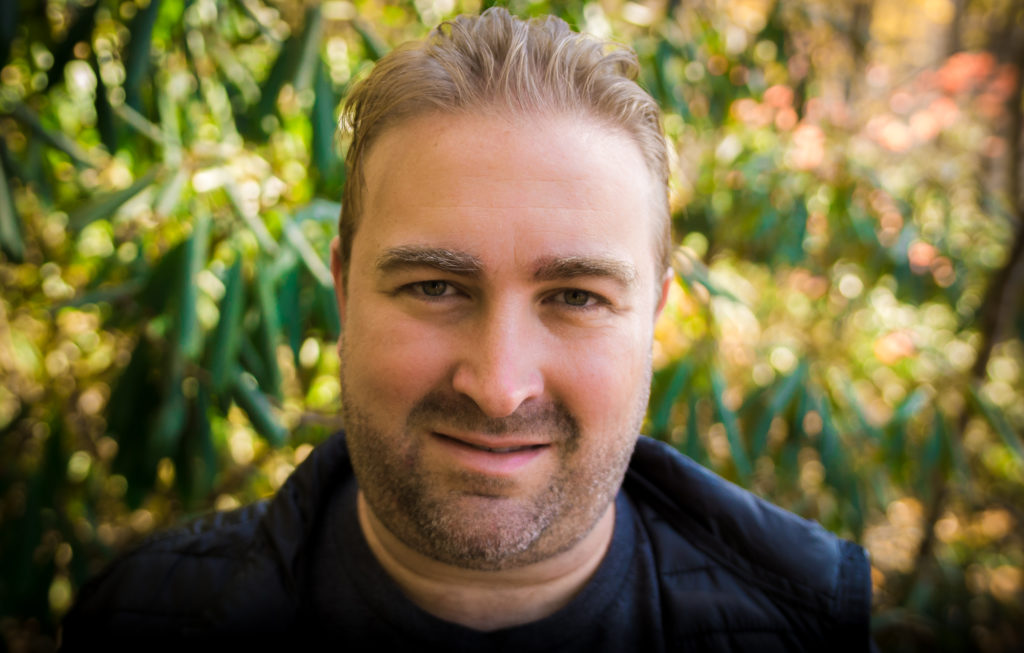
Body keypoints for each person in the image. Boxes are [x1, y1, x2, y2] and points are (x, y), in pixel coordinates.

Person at [61, 8, 872, 651]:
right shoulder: (140, 619)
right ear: (344, 290)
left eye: (576, 296)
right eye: (435, 286)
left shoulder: (807, 627)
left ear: (654, 317)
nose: (498, 386)